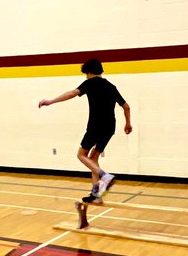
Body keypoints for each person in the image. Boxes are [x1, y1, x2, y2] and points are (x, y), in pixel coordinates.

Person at [38, 58, 131, 202]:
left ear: (89, 72)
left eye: (86, 74)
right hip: (110, 127)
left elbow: (72, 93)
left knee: (81, 155)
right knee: (94, 159)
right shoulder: (111, 86)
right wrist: (128, 124)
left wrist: (50, 101)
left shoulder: (90, 83)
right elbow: (126, 107)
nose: (85, 77)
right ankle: (96, 195)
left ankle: (105, 176)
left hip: (96, 126)